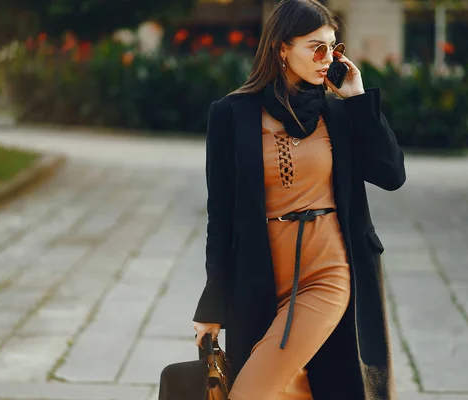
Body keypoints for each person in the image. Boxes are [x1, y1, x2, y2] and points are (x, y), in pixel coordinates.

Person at [192, 0, 406, 398]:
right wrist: (211, 306)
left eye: (334, 48)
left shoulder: (338, 115)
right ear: (282, 49)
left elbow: (392, 175)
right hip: (259, 274)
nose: (328, 59)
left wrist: (358, 99)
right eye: (317, 47)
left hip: (326, 272)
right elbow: (219, 217)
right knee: (294, 390)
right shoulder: (230, 115)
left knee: (250, 392)